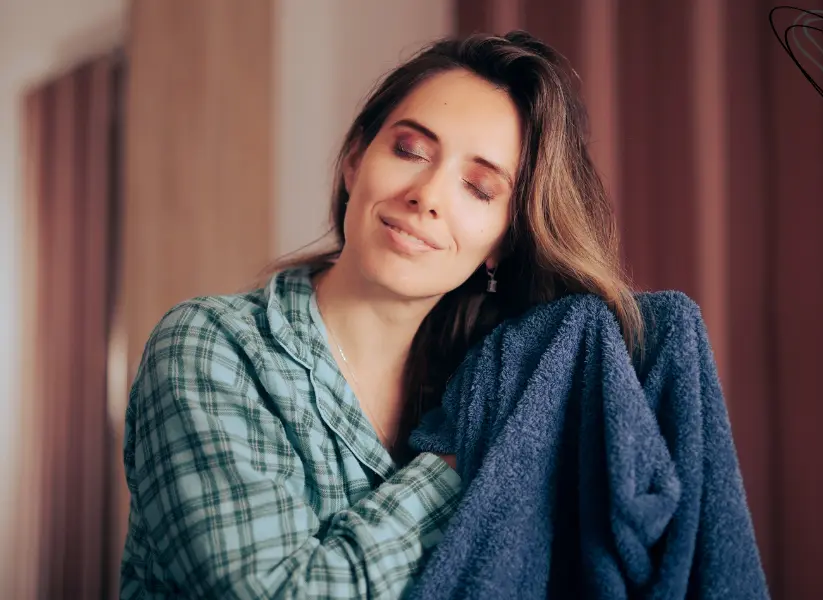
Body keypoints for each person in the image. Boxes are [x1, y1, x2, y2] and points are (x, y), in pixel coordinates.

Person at [119, 30, 644, 599]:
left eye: (478, 188)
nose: (428, 194)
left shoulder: (486, 379)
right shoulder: (209, 348)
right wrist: (464, 462)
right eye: (411, 151)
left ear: (502, 243)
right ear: (353, 162)